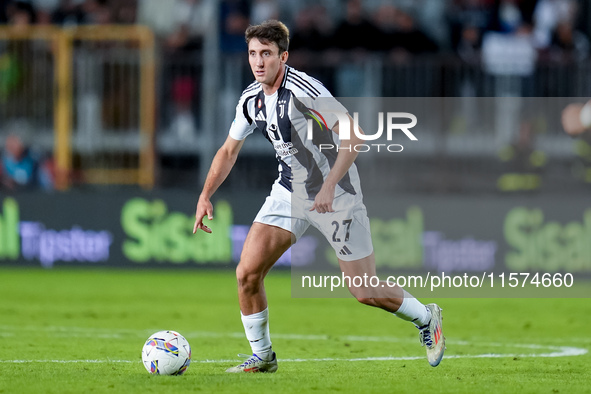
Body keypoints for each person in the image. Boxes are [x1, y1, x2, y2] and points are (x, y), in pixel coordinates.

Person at [193, 20, 445, 372]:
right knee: (247, 273)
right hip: (288, 192)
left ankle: (426, 317)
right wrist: (206, 195)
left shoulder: (305, 89)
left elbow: (353, 136)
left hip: (336, 194)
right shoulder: (251, 99)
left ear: (284, 56)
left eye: (266, 54)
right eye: (253, 54)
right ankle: (263, 356)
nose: (258, 62)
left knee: (364, 289)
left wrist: (328, 186)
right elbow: (228, 150)